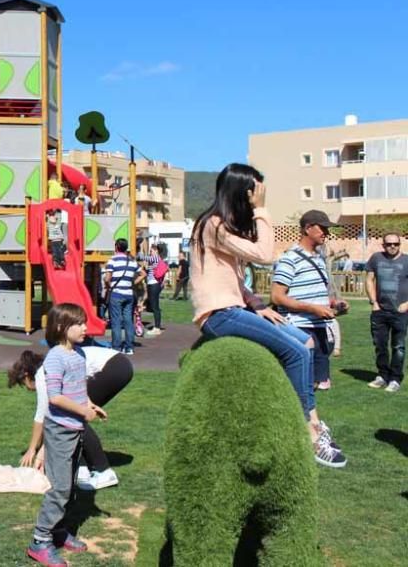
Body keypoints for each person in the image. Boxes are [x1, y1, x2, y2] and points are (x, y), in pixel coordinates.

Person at [190, 164, 346, 468]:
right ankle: (306, 433)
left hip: (234, 308)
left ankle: (315, 421)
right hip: (219, 315)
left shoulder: (223, 226)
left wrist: (257, 305)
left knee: (306, 342)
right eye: (256, 191)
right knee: (298, 352)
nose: (258, 197)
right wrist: (261, 211)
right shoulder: (212, 225)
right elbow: (264, 255)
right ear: (243, 192)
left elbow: (230, 279)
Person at [26, 303, 106, 565]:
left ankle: (59, 531)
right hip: (60, 430)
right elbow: (56, 397)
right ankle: (40, 541)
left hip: (75, 430)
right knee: (59, 488)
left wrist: (91, 404)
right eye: (79, 323)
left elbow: (78, 390)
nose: (86, 327)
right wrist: (83, 412)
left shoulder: (79, 354)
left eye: (85, 322)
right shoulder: (55, 357)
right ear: (61, 327)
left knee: (69, 485)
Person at [9, 343, 133, 491]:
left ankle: (104, 472)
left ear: (27, 376)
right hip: (120, 365)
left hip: (113, 366)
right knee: (70, 417)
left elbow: (41, 415)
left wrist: (32, 450)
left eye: (24, 384)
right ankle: (82, 469)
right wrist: (41, 450)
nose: (28, 389)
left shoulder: (43, 375)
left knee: (72, 417)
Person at [271, 210, 347, 392]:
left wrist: (334, 304)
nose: (326, 233)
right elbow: (277, 296)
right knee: (301, 385)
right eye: (323, 228)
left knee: (319, 384)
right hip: (298, 328)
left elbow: (315, 295)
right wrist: (312, 309)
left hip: (320, 328)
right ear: (307, 228)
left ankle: (310, 420)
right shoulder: (290, 259)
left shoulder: (319, 259)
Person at [365, 232, 408, 392]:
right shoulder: (376, 258)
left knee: (398, 347)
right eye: (389, 244)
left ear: (399, 244)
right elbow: (369, 279)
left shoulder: (407, 260)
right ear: (383, 245)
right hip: (380, 311)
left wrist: (407, 304)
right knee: (380, 346)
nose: (392, 247)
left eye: (396, 244)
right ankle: (382, 376)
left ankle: (395, 378)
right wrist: (373, 302)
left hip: (400, 312)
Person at [103, 239, 145, 355]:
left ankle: (116, 347)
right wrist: (133, 283)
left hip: (116, 293)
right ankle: (129, 347)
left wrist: (108, 285)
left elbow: (107, 278)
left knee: (116, 321)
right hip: (129, 294)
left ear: (116, 247)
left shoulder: (112, 260)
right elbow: (143, 274)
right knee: (128, 321)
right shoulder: (131, 261)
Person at [142, 245, 164, 334]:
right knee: (153, 306)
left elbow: (143, 257)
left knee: (155, 307)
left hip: (154, 284)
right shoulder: (155, 260)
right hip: (152, 283)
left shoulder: (155, 258)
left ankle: (157, 328)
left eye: (151, 251)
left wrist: (139, 251)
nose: (150, 253)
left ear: (156, 251)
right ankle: (157, 326)